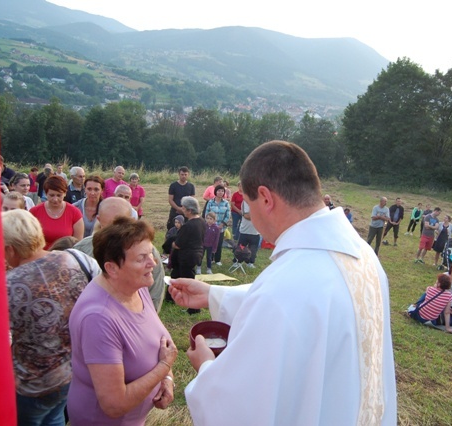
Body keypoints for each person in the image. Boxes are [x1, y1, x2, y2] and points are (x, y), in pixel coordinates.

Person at [169, 141, 396, 425]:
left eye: (249, 206)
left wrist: (205, 366)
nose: (250, 215)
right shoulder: (360, 253)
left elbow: (240, 406)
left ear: (265, 198)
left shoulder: (288, 285)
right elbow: (308, 307)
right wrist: (214, 294)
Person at [67, 216, 178, 425]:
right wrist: (163, 367)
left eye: (151, 255)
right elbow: (114, 404)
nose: (153, 263)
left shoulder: (136, 286)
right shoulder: (98, 319)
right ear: (112, 268)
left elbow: (159, 338)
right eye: (141, 258)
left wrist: (167, 379)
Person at [3, 209, 94, 425]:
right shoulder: (77, 258)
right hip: (77, 371)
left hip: (32, 386)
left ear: (10, 249)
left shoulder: (7, 285)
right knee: (55, 418)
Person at [73, 197, 167, 314]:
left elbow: (155, 294)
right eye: (109, 228)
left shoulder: (148, 253)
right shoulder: (82, 250)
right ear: (99, 220)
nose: (114, 235)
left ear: (131, 220)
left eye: (120, 228)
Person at [170, 196, 205, 314]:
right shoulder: (202, 221)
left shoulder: (188, 226)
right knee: (176, 275)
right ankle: (170, 298)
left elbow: (178, 245)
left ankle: (194, 308)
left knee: (189, 283)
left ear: (190, 210)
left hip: (187, 256)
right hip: (197, 253)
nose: (182, 210)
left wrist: (173, 243)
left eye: (184, 208)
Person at [30, 175, 84, 249]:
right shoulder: (35, 212)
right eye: (51, 195)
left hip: (66, 257)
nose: (55, 199)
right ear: (46, 193)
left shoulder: (74, 213)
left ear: (65, 193)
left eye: (59, 195)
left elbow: (78, 243)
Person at [205, 185, 230, 266]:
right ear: (215, 192)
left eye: (222, 191)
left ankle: (217, 259)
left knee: (219, 243)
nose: (220, 192)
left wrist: (222, 224)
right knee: (210, 242)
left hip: (221, 228)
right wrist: (211, 223)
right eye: (219, 191)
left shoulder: (226, 203)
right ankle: (210, 258)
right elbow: (206, 213)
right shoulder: (210, 202)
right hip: (211, 226)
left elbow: (228, 215)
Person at [235, 198, 260, 268]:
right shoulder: (245, 202)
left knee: (253, 248)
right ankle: (237, 261)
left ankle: (250, 262)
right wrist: (258, 215)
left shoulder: (260, 201)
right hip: (245, 230)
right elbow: (246, 216)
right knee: (240, 248)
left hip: (256, 231)